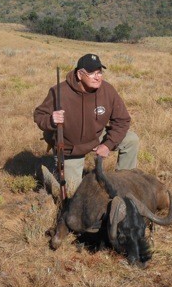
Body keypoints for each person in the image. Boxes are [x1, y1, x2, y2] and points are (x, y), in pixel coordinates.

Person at [34, 53, 139, 194]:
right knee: (72, 195)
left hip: (95, 136)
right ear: (79, 74)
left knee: (131, 140)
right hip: (71, 147)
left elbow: (122, 120)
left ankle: (125, 184)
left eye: (99, 72)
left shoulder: (108, 90)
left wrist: (108, 145)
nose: (98, 77)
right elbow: (39, 115)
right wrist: (51, 120)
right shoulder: (59, 91)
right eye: (92, 73)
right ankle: (46, 175)